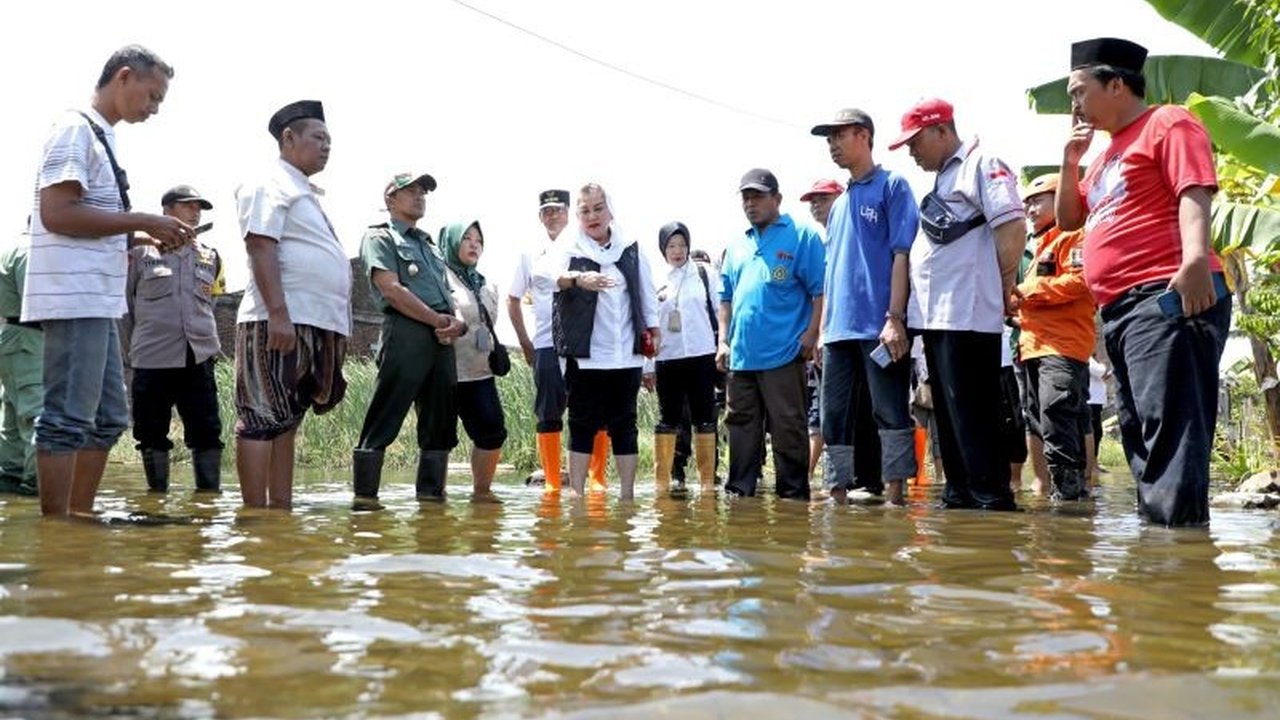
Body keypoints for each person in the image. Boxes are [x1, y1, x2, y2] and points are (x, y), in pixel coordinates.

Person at [1057, 38, 1230, 526]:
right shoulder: (1104, 156)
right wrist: (1071, 161)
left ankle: (1180, 563)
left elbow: (1193, 188)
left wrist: (1195, 258)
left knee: (1171, 434)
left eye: (1079, 90)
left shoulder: (1166, 122)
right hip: (1121, 310)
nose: (1074, 104)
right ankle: (1161, 561)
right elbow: (1070, 218)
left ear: (1116, 84)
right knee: (1141, 436)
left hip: (1168, 295)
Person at [24, 45, 189, 517]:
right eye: (152, 96)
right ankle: (58, 529)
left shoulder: (102, 137)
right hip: (74, 297)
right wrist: (142, 219)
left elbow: (89, 221)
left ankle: (80, 516)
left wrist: (143, 236)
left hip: (98, 297)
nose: (154, 109)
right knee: (67, 418)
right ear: (123, 77)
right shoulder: (75, 128)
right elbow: (57, 213)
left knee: (109, 419)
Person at [889, 98, 1025, 511]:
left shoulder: (981, 163)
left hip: (968, 315)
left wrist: (1004, 284)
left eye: (915, 142)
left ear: (942, 131)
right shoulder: (945, 179)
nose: (911, 152)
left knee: (974, 418)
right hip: (938, 319)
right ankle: (962, 500)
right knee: (951, 421)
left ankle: (989, 502)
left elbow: (1013, 224)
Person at [235, 100, 351, 510]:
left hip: (312, 321)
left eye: (329, 141)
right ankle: (254, 517)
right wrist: (278, 315)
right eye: (318, 138)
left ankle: (279, 511)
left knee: (287, 420)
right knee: (260, 418)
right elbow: (260, 245)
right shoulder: (270, 181)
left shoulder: (303, 190)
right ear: (289, 138)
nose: (326, 147)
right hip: (279, 319)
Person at [811, 108, 919, 505]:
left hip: (879, 327)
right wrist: (822, 331)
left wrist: (895, 317)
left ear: (864, 136)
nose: (833, 145)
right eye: (829, 140)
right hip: (838, 331)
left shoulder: (893, 187)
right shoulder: (838, 205)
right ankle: (836, 496)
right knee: (833, 418)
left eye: (840, 136)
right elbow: (832, 272)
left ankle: (895, 496)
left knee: (889, 411)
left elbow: (902, 254)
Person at [351, 172, 466, 508]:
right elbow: (391, 289)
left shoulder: (428, 244)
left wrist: (454, 324)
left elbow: (446, 295)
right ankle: (365, 507)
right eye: (410, 191)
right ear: (390, 199)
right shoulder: (380, 237)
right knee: (383, 419)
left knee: (439, 424)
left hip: (442, 339)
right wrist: (435, 320)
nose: (419, 197)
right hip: (407, 333)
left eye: (423, 192)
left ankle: (432, 508)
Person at [718, 169, 825, 500]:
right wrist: (723, 340)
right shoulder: (736, 244)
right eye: (746, 198)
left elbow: (819, 292)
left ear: (777, 199)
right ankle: (740, 494)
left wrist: (811, 335)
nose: (751, 204)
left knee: (788, 428)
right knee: (740, 427)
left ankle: (793, 499)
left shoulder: (802, 235)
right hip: (741, 356)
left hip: (784, 353)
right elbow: (726, 298)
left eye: (758, 197)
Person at [549, 183, 659, 500]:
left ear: (610, 210)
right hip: (586, 354)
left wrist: (653, 328)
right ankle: (578, 496)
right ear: (577, 216)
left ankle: (626, 496)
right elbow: (545, 274)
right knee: (582, 422)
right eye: (584, 210)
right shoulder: (570, 247)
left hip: (625, 353)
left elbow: (647, 293)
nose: (592, 216)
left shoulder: (630, 248)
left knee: (625, 423)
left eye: (598, 208)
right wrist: (577, 278)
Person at [122, 185, 225, 493]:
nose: (196, 212)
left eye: (199, 207)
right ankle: (156, 502)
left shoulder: (210, 256)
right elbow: (125, 307)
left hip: (198, 358)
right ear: (166, 210)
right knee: (151, 433)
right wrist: (132, 354)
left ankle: (207, 503)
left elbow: (212, 304)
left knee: (207, 432)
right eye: (188, 205)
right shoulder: (140, 253)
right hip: (152, 358)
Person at [508, 189, 611, 493]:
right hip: (546, 343)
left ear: (570, 213)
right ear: (540, 217)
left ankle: (597, 480)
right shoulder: (530, 253)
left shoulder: (587, 245)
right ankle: (552, 482)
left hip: (585, 342)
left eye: (558, 210)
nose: (553, 216)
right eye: (546, 211)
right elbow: (512, 299)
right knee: (549, 411)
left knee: (595, 409)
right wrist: (525, 342)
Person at [1012, 173, 1096, 500]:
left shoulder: (1074, 236)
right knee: (1039, 421)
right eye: (1027, 203)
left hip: (1062, 346)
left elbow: (1081, 281)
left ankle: (1071, 502)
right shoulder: (1039, 245)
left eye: (1038, 200)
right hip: (1031, 347)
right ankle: (1058, 494)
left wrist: (1028, 291)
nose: (1030, 209)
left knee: (1058, 416)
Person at [643, 221, 719, 492]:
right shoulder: (656, 279)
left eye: (682, 245)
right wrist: (647, 365)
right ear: (663, 249)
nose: (677, 251)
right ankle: (666, 479)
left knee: (704, 416)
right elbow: (649, 325)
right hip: (668, 358)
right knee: (668, 418)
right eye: (671, 246)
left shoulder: (704, 273)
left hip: (701, 353)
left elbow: (721, 310)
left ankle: (708, 481)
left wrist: (722, 346)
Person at [441, 219, 507, 501]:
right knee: (438, 438)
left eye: (478, 240)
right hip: (444, 372)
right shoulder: (438, 277)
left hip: (480, 372)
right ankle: (433, 499)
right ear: (452, 242)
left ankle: (481, 494)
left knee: (493, 432)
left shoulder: (486, 283)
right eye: (466, 238)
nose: (473, 244)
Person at [0, 234, 40, 496]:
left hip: (14, 337)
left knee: (13, 414)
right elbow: (36, 302)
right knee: (38, 414)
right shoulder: (33, 252)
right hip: (30, 338)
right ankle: (37, 480)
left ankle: (12, 476)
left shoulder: (11, 249)